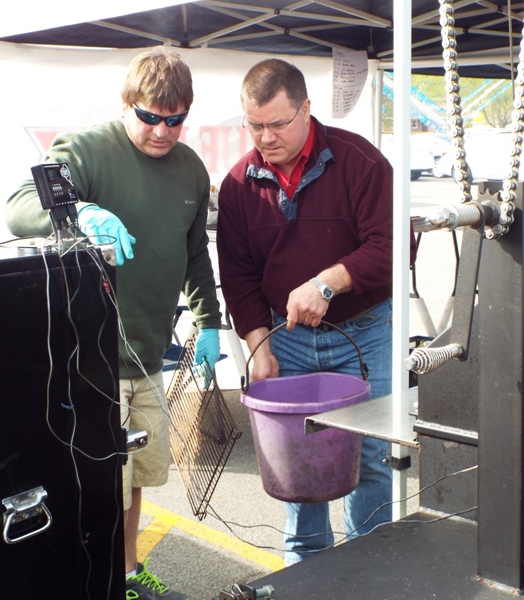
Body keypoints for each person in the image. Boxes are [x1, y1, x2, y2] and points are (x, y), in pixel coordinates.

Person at [5, 47, 221, 600]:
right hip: (91, 361)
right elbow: (18, 206)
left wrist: (209, 321)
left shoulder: (191, 169)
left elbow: (194, 254)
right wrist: (77, 212)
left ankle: (124, 574)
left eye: (175, 120)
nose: (162, 131)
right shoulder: (88, 150)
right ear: (127, 104)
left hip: (148, 354)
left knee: (135, 478)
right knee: (100, 484)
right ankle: (91, 582)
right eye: (150, 117)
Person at [217, 58, 399, 566]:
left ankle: (369, 569)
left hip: (365, 332)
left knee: (370, 454)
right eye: (254, 125)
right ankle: (305, 570)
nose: (266, 137)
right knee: (295, 458)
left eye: (278, 124)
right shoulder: (238, 185)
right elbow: (239, 277)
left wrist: (328, 283)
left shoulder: (360, 162)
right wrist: (258, 345)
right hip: (288, 338)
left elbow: (393, 246)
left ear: (306, 109)